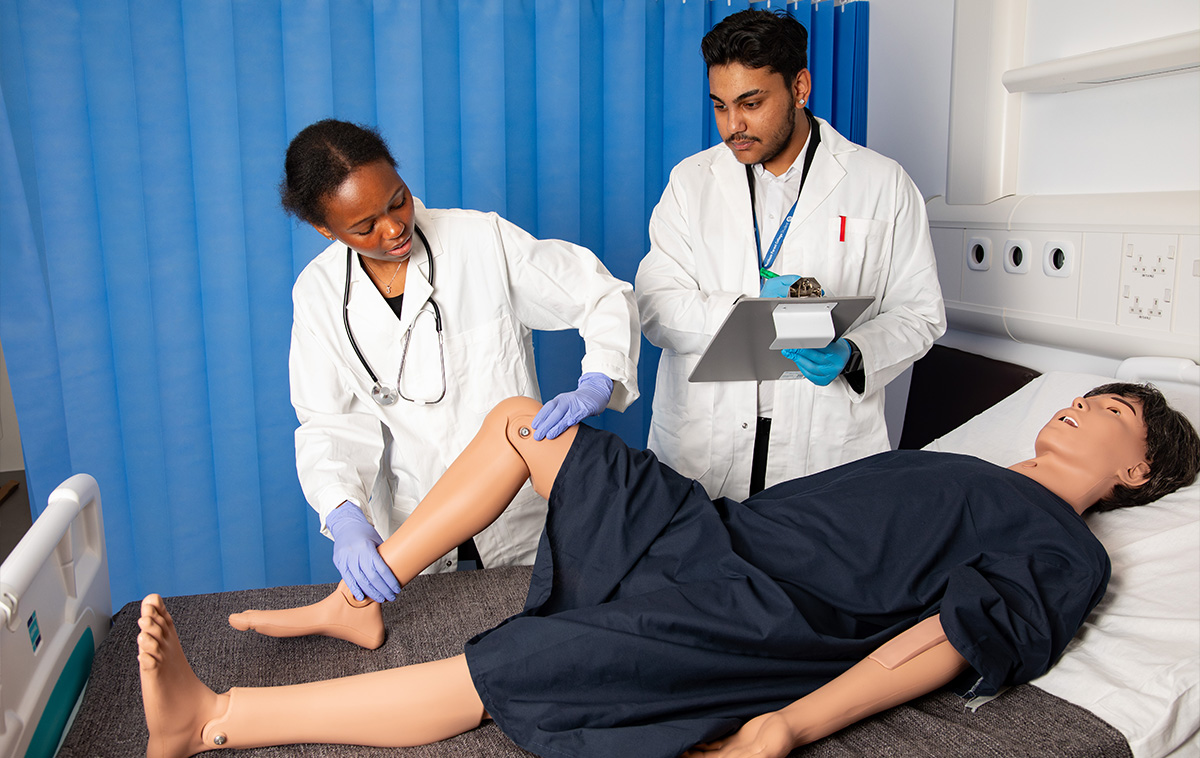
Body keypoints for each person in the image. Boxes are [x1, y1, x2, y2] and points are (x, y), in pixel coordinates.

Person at [138, 384, 1200, 758]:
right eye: (1083, 393)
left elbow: (951, 636)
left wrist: (784, 724)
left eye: (1109, 408)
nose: (1077, 405)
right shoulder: (963, 460)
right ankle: (359, 598)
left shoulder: (1065, 549)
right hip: (713, 533)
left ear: (1140, 465)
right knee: (524, 421)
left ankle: (213, 718)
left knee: (515, 659)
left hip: (762, 613)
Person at [281, 119, 640, 600]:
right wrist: (343, 512)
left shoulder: (479, 242)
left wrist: (597, 380)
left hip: (521, 516)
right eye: (365, 227)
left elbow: (601, 295)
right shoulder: (318, 296)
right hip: (417, 524)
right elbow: (328, 422)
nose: (393, 228)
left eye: (398, 200)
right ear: (325, 229)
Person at [635, 10, 946, 499]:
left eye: (751, 103)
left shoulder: (882, 185)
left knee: (811, 568)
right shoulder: (690, 182)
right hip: (704, 437)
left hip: (823, 439)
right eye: (719, 106)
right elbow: (654, 305)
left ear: (799, 88)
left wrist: (853, 354)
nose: (732, 126)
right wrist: (747, 309)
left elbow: (920, 314)